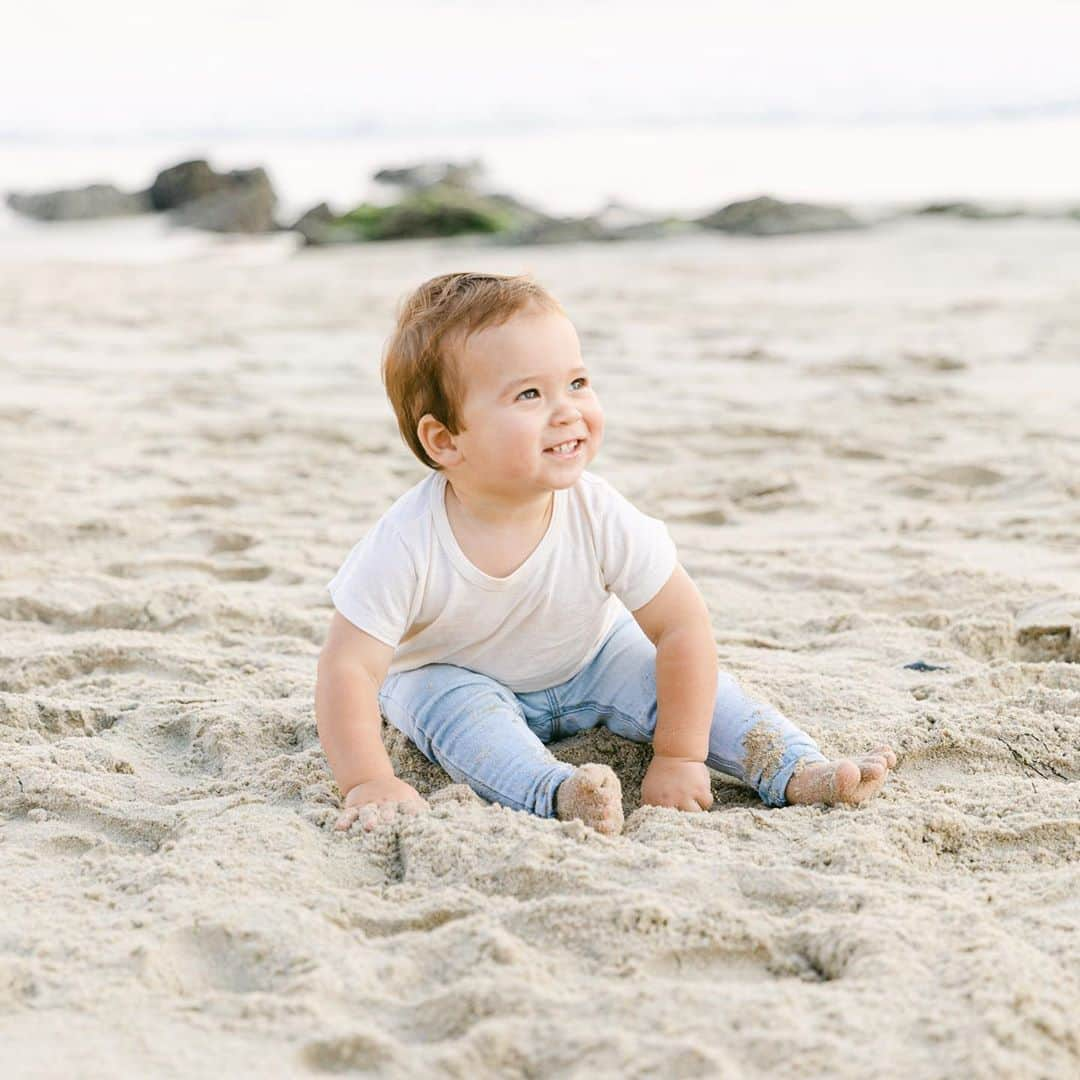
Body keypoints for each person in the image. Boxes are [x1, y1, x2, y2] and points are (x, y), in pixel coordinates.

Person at [315, 272, 895, 835]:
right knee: (464, 720)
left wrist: (680, 756)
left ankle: (795, 766)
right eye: (529, 394)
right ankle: (556, 792)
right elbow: (348, 667)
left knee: (685, 684)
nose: (566, 410)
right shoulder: (407, 541)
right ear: (445, 439)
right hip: (453, 673)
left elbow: (682, 626)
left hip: (590, 656)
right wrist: (367, 780)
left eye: (577, 383)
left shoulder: (599, 511)